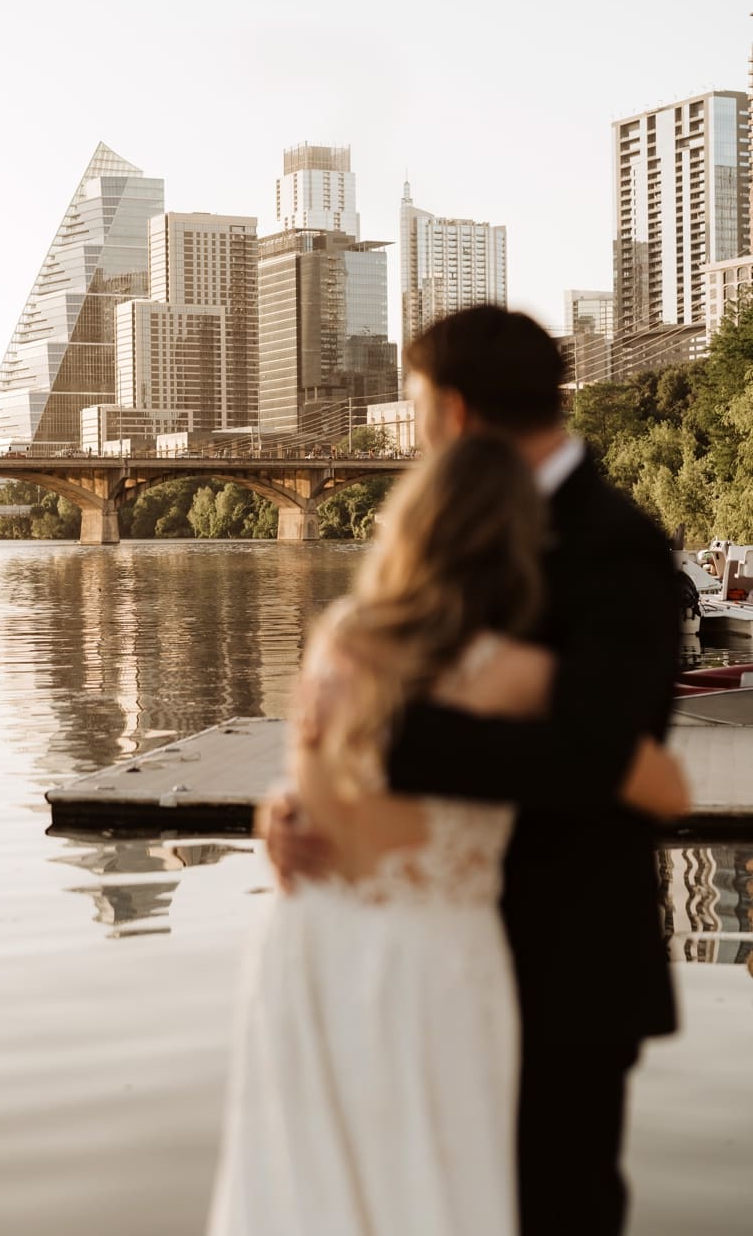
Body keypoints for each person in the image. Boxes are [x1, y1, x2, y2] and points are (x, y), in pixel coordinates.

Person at [248, 305, 689, 1236]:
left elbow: (595, 754)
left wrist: (376, 744)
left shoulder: (618, 548)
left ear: (449, 409)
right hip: (423, 950)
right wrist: (303, 796)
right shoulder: (452, 541)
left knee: (554, 1210)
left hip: (561, 957)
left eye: (412, 403)